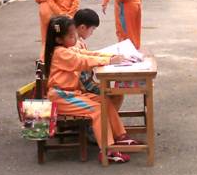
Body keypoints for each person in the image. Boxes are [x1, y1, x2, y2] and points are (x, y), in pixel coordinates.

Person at [45, 15, 135, 163]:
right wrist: (109, 60)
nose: (75, 38)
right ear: (59, 39)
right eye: (71, 36)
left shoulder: (66, 49)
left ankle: (120, 136)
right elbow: (82, 61)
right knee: (97, 110)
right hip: (61, 97)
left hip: (71, 94)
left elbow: (88, 54)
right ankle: (108, 150)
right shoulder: (60, 53)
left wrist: (112, 56)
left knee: (105, 101)